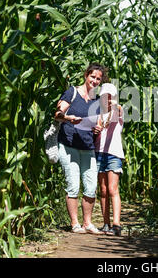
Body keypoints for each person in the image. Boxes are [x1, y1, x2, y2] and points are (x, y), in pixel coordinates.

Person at [54, 63, 106, 234]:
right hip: (68, 144)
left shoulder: (97, 100)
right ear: (86, 75)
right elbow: (58, 114)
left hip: (87, 145)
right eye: (93, 77)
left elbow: (98, 123)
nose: (95, 81)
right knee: (73, 184)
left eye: (98, 79)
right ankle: (75, 223)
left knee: (91, 186)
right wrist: (68, 118)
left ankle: (88, 223)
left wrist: (98, 128)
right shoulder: (72, 92)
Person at [94, 83, 125, 236]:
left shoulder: (118, 112)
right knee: (104, 190)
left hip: (114, 154)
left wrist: (115, 105)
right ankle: (106, 223)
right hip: (99, 153)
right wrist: (95, 129)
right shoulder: (98, 114)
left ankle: (116, 224)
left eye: (109, 96)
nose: (106, 99)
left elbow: (119, 109)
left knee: (113, 189)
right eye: (104, 96)